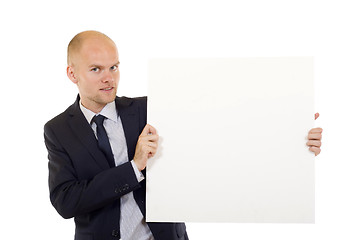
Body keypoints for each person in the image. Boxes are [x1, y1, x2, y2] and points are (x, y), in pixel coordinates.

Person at [44, 30, 322, 240]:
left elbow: (221, 125)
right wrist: (134, 166)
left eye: (114, 67)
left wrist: (291, 130)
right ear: (72, 73)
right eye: (96, 69)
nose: (109, 78)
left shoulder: (148, 108)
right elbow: (66, 201)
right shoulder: (58, 130)